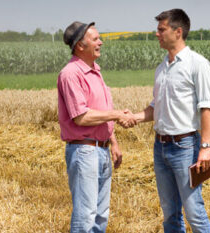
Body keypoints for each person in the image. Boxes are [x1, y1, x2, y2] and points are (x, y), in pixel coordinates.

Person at [121, 8, 210, 233]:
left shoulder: (197, 64)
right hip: (160, 146)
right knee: (170, 213)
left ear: (178, 32)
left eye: (161, 29)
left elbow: (207, 107)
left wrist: (205, 147)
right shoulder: (161, 69)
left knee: (194, 211)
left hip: (185, 147)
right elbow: (156, 108)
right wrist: (135, 117)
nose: (157, 34)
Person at [57, 21, 135, 233]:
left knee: (100, 216)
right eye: (95, 39)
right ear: (80, 46)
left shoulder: (95, 71)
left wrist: (114, 142)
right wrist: (118, 115)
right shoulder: (71, 73)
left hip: (101, 150)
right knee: (85, 216)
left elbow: (101, 109)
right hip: (84, 151)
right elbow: (81, 117)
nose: (101, 42)